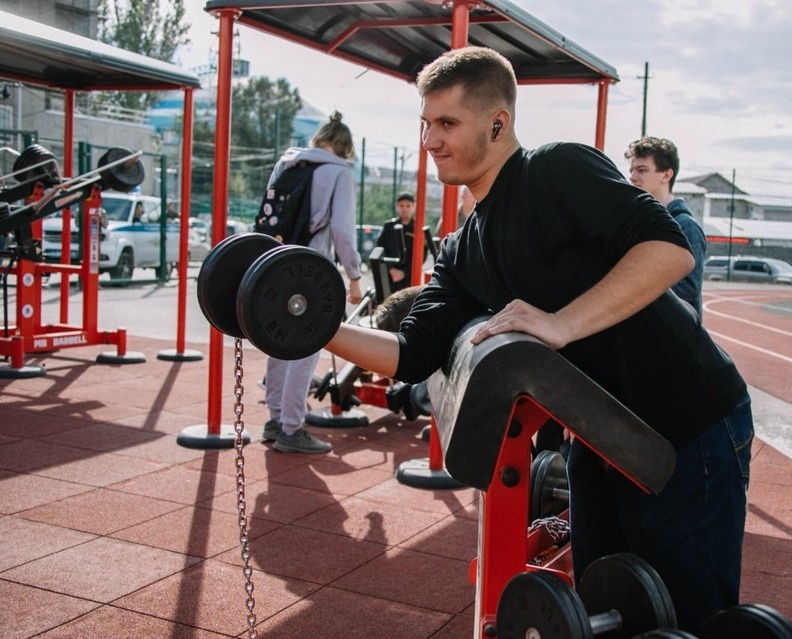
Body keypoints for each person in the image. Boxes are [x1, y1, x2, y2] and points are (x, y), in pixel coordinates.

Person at [324, 46, 753, 633]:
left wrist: (563, 324)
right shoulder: (462, 247)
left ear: (497, 123)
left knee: (693, 617)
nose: (430, 140)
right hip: (604, 440)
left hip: (687, 422)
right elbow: (413, 352)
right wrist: (314, 331)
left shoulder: (557, 170)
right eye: (425, 124)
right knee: (615, 605)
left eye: (447, 123)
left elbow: (668, 248)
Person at [261, 111, 363, 454]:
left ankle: (275, 419)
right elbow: (342, 233)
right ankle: (292, 427)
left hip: (274, 262)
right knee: (304, 349)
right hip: (310, 270)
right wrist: (353, 275)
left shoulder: (287, 164)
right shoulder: (339, 172)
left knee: (277, 343)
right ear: (345, 148)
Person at [625, 136, 706, 315]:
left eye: (641, 170)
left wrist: (634, 282)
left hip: (673, 336)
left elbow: (688, 289)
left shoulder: (686, 226)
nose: (633, 177)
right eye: (632, 170)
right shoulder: (639, 223)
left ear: (666, 175)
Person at [375, 191, 419, 293]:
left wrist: (404, 272)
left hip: (409, 276)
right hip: (389, 275)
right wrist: (391, 270)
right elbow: (379, 248)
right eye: (402, 206)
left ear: (414, 207)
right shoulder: (388, 226)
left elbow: (421, 255)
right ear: (397, 207)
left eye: (408, 206)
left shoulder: (417, 228)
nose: (405, 209)